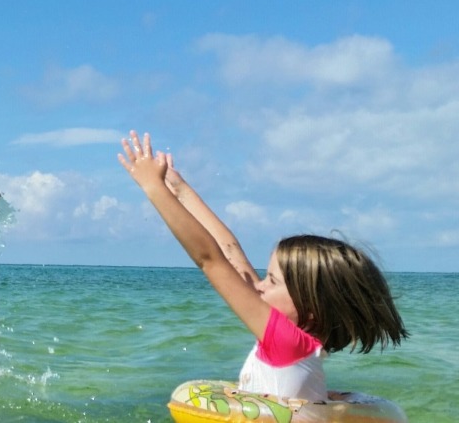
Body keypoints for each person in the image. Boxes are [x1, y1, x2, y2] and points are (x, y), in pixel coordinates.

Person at [118, 130, 408, 401]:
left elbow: (209, 259)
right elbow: (229, 252)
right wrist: (181, 190)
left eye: (272, 280)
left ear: (310, 309)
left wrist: (153, 187)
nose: (258, 285)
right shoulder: (301, 347)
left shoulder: (286, 342)